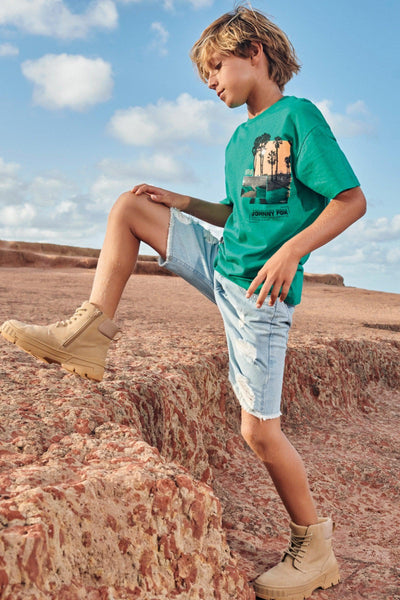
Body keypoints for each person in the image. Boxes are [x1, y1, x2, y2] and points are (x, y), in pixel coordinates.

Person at [0, 5, 366, 599]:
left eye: (216, 68)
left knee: (259, 433)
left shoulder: (298, 117)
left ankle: (315, 549)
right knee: (131, 206)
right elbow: (235, 213)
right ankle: (88, 335)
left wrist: (290, 253)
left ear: (254, 53)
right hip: (222, 264)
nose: (211, 83)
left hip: (260, 294)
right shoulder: (238, 138)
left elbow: (350, 200)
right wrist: (182, 202)